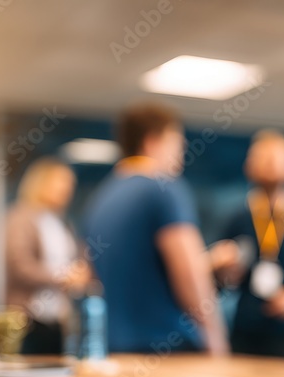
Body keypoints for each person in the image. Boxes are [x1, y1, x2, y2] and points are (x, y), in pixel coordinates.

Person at [82, 102, 228, 355]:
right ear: (152, 142)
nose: (182, 152)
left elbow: (92, 277)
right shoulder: (164, 188)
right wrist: (217, 341)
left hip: (117, 350)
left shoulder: (100, 199)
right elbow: (190, 275)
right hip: (171, 352)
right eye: (177, 142)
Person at [211, 130, 284, 359]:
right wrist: (224, 272)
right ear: (249, 166)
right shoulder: (237, 220)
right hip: (245, 334)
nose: (270, 164)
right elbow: (218, 282)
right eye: (262, 157)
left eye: (277, 158)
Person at [6, 157, 91, 354]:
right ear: (41, 183)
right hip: (28, 320)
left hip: (58, 320)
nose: (67, 188)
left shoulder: (63, 224)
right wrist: (63, 276)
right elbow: (20, 266)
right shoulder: (21, 218)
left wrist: (80, 274)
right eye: (60, 181)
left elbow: (76, 260)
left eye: (70, 184)